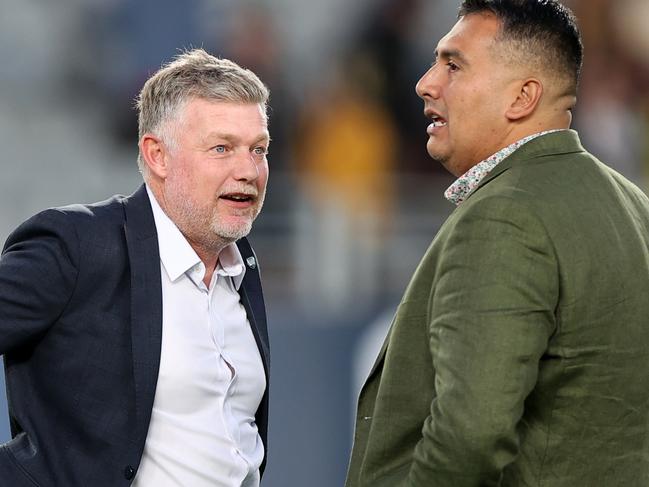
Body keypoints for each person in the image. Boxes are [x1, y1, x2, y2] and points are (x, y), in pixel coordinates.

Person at [346, 1, 649, 486]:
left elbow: (470, 434)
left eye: (453, 65)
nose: (426, 83)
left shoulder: (504, 216)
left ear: (522, 97)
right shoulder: (634, 206)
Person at [0, 48, 271, 487]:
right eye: (222, 148)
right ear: (158, 155)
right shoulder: (78, 245)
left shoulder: (243, 267)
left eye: (258, 149)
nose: (248, 171)